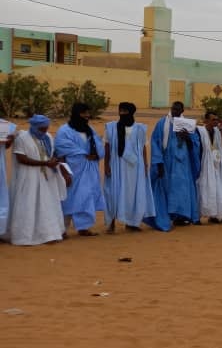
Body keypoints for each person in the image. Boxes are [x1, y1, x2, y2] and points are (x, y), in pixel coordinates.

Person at [4, 114, 68, 245]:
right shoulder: (22, 138)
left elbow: (51, 153)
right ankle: (25, 236)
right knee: (29, 204)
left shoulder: (48, 137)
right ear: (34, 127)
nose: (44, 131)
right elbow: (21, 159)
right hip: (29, 178)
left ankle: (49, 234)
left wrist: (55, 161)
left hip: (47, 177)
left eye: (46, 128)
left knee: (47, 204)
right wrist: (44, 164)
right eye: (41, 129)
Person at [148, 101, 202, 230]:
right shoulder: (162, 124)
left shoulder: (188, 125)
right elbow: (155, 143)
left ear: (182, 110)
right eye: (174, 108)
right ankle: (166, 216)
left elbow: (195, 145)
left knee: (182, 189)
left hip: (184, 164)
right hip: (167, 163)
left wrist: (187, 137)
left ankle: (181, 216)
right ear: (171, 108)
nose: (175, 111)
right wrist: (158, 163)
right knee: (167, 189)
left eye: (178, 109)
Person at [54, 102, 106, 236]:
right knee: (68, 199)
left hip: (89, 171)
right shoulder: (64, 130)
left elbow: (98, 146)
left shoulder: (90, 130)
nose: (87, 116)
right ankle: (62, 230)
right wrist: (82, 156)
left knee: (86, 197)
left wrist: (95, 155)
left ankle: (83, 227)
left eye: (88, 113)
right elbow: (61, 150)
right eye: (84, 113)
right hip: (72, 171)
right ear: (76, 113)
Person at [103, 102, 155, 233]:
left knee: (133, 194)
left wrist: (145, 164)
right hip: (117, 165)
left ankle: (132, 223)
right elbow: (107, 147)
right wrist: (106, 165)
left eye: (125, 111)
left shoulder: (140, 128)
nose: (122, 113)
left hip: (135, 167)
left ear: (131, 112)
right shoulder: (111, 128)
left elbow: (143, 147)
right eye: (121, 111)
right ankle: (111, 223)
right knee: (114, 193)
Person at [196, 111, 222, 223]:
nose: (216, 122)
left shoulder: (218, 131)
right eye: (213, 120)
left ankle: (219, 214)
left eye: (217, 120)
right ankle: (206, 214)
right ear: (207, 120)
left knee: (220, 187)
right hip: (205, 163)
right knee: (206, 188)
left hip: (218, 163)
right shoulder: (201, 131)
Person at [0, 116, 14, 238]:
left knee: (1, 196)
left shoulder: (3, 124)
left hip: (0, 165)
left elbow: (5, 146)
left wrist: (9, 141)